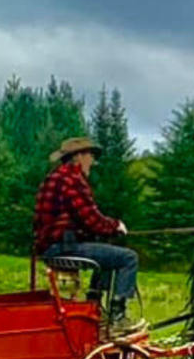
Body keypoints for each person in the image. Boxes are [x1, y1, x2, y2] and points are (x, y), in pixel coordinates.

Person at [33, 135, 146, 336]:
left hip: (51, 246)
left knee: (108, 257)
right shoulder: (72, 180)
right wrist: (116, 226)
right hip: (63, 247)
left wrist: (105, 229)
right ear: (78, 156)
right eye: (90, 156)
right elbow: (90, 218)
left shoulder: (55, 177)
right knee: (128, 258)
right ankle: (117, 318)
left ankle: (95, 308)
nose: (92, 161)